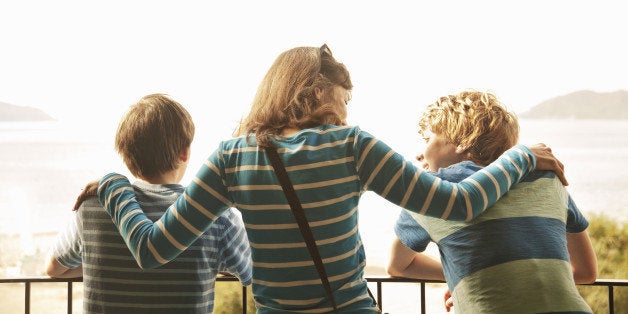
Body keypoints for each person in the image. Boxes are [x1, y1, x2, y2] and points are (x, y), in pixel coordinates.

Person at [94, 45, 567, 313]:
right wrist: (521, 157)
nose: (345, 109)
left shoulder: (230, 159)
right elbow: (459, 203)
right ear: (318, 91)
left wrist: (115, 187)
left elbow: (153, 249)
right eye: (344, 97)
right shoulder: (352, 147)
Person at [387, 90, 597, 313]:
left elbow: (399, 266)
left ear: (462, 142)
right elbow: (586, 271)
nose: (420, 154)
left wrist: (464, 280)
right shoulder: (547, 178)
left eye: (428, 139)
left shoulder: (431, 190)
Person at [46, 94, 252, 313]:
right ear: (184, 153)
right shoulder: (215, 216)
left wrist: (108, 267)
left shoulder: (92, 208)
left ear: (126, 154)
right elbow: (251, 272)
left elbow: (55, 269)